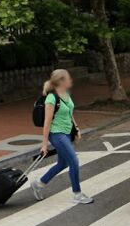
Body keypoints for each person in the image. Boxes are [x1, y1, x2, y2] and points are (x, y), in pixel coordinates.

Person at [31, 69, 93, 204]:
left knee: (62, 163)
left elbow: (70, 113)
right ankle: (77, 194)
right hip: (57, 134)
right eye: (68, 78)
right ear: (61, 81)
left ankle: (39, 183)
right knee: (74, 162)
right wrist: (44, 144)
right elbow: (47, 123)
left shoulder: (66, 94)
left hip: (66, 133)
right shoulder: (51, 98)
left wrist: (76, 128)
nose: (70, 80)